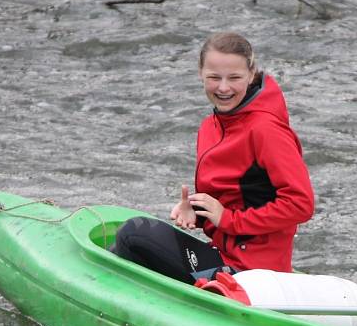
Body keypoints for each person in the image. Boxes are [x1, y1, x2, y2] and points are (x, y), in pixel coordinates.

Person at [111, 32, 315, 282]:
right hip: (222, 254)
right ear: (200, 73)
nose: (223, 87)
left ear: (251, 75)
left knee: (135, 233)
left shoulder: (266, 130)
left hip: (251, 273)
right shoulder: (212, 126)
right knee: (130, 243)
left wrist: (228, 219)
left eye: (235, 78)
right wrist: (196, 213)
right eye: (214, 77)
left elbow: (300, 204)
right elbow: (241, 195)